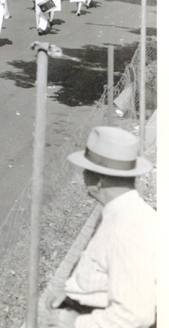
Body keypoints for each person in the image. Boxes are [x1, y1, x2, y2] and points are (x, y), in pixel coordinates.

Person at [46, 126, 155, 328]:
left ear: (98, 180)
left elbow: (137, 315)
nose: (84, 176)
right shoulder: (126, 213)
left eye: (86, 170)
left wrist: (77, 323)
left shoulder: (126, 229)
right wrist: (72, 293)